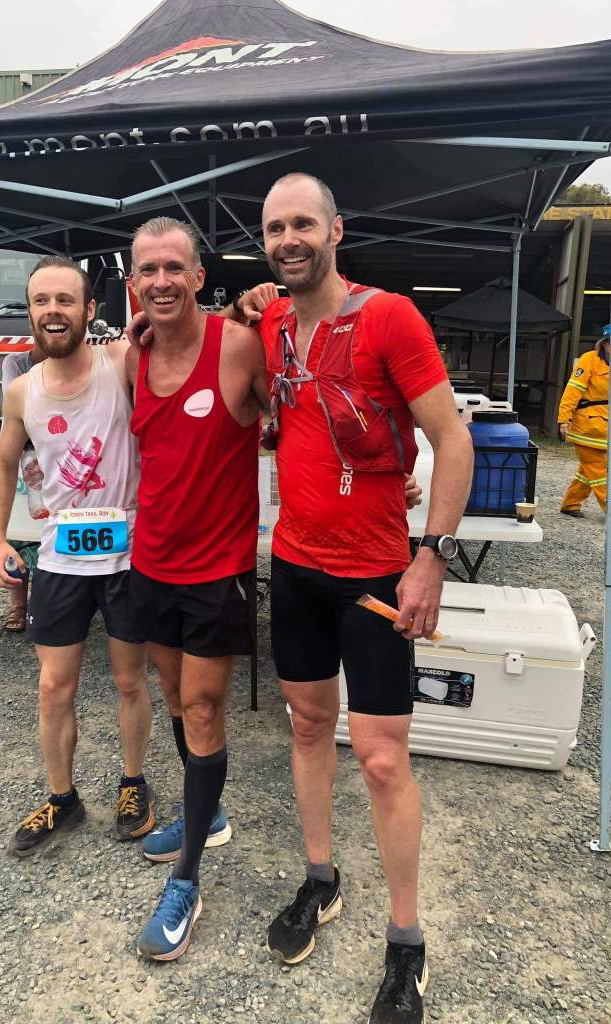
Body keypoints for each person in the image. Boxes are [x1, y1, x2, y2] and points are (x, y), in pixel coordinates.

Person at [223, 174, 473, 1024]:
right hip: (295, 566)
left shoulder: (390, 317)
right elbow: (247, 386)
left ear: (337, 229)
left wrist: (431, 557)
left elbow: (452, 438)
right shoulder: (270, 325)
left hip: (374, 572)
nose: (287, 239)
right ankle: (321, 879)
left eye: (303, 223)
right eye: (273, 229)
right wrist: (233, 309)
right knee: (304, 726)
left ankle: (406, 941)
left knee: (381, 757)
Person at [125, 216, 268, 962]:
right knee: (177, 700)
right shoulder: (131, 355)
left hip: (219, 571)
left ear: (199, 277)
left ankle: (186, 879)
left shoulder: (239, 346)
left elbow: (297, 417)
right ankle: (204, 813)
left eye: (174, 267)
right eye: (148, 270)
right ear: (132, 284)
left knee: (206, 709)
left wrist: (386, 469)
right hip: (152, 564)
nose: (162, 281)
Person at [0, 255, 155, 857]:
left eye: (65, 300)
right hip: (60, 561)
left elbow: (179, 349)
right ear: (30, 312)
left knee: (130, 681)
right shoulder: (21, 391)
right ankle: (63, 798)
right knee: (53, 686)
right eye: (41, 301)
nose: (52, 311)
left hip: (128, 557)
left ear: (89, 310)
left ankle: (133, 783)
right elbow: (3, 465)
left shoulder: (120, 363)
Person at [0, 341, 45, 632]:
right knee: (16, 530)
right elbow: (18, 403)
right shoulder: (15, 362)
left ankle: (42, 601)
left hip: (56, 454)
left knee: (46, 527)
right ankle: (17, 603)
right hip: (21, 453)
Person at [558, 325, 609, 517]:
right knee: (599, 469)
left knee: (588, 470)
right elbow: (572, 391)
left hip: (605, 427)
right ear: (604, 344)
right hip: (586, 427)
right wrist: (564, 419)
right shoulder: (589, 360)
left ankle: (570, 504)